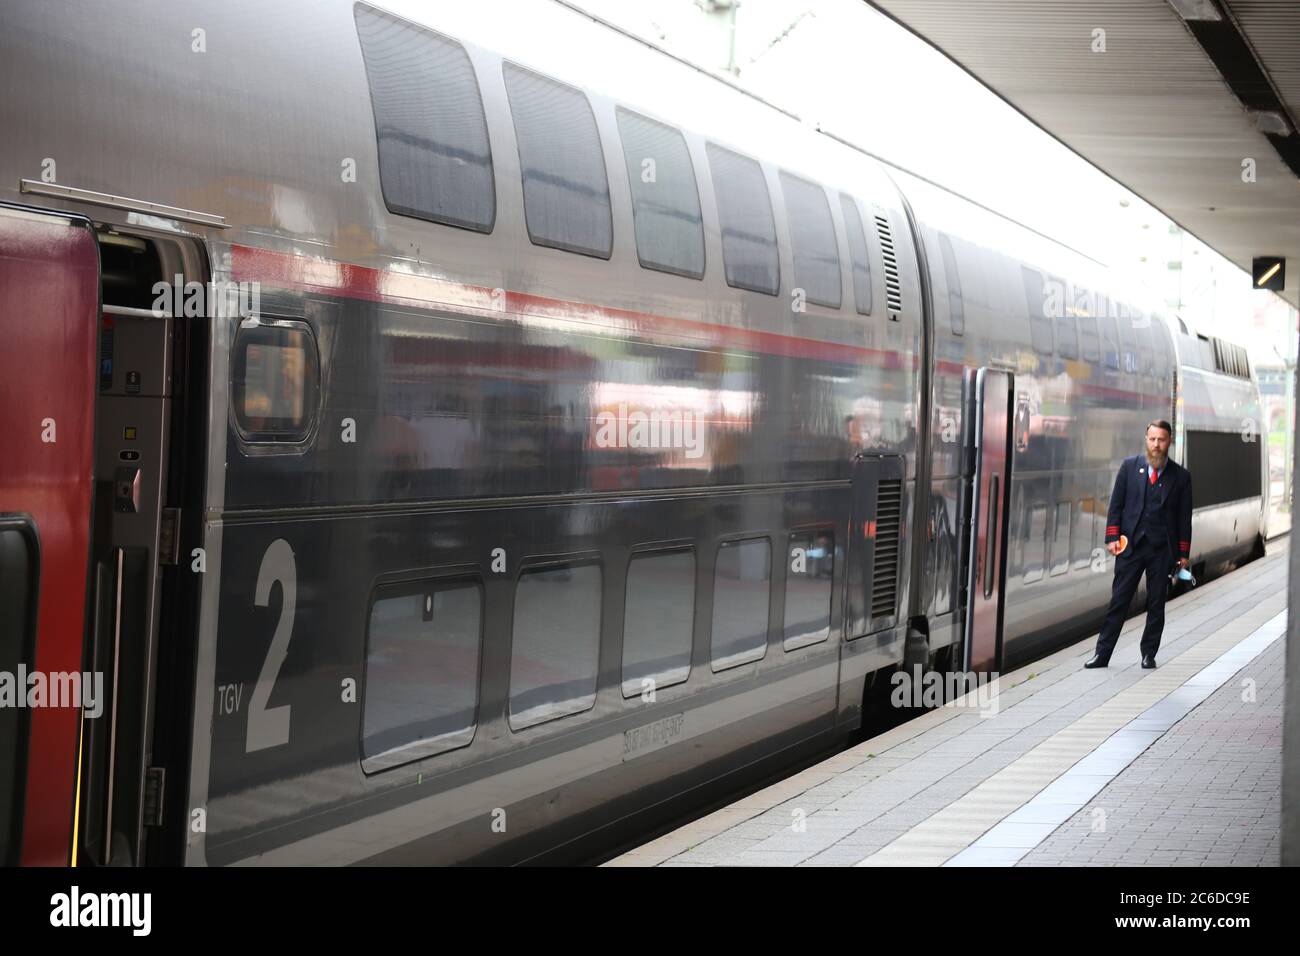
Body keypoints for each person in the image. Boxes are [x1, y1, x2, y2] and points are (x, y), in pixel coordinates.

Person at [1085, 420, 1192, 670]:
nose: (1156, 444)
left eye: (1161, 440)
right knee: (1119, 601)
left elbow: (1184, 518)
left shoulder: (1181, 477)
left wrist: (1183, 554)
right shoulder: (1129, 467)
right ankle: (1102, 654)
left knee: (1156, 604)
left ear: (1169, 441)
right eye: (1152, 439)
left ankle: (1148, 654)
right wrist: (1112, 537)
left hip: (1162, 551)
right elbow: (1116, 505)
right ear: (1147, 439)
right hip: (1131, 547)